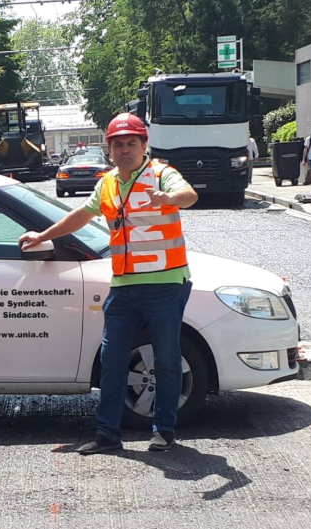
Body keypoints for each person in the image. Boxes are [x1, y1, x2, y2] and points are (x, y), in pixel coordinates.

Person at [19, 113, 198, 454]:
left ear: (144, 145)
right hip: (124, 285)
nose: (125, 149)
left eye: (132, 143)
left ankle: (164, 431)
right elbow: (81, 216)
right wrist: (42, 235)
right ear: (109, 149)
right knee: (112, 359)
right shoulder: (107, 183)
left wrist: (170, 199)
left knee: (166, 359)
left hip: (166, 283)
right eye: (118, 144)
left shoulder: (162, 174)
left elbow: (188, 195)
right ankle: (107, 436)